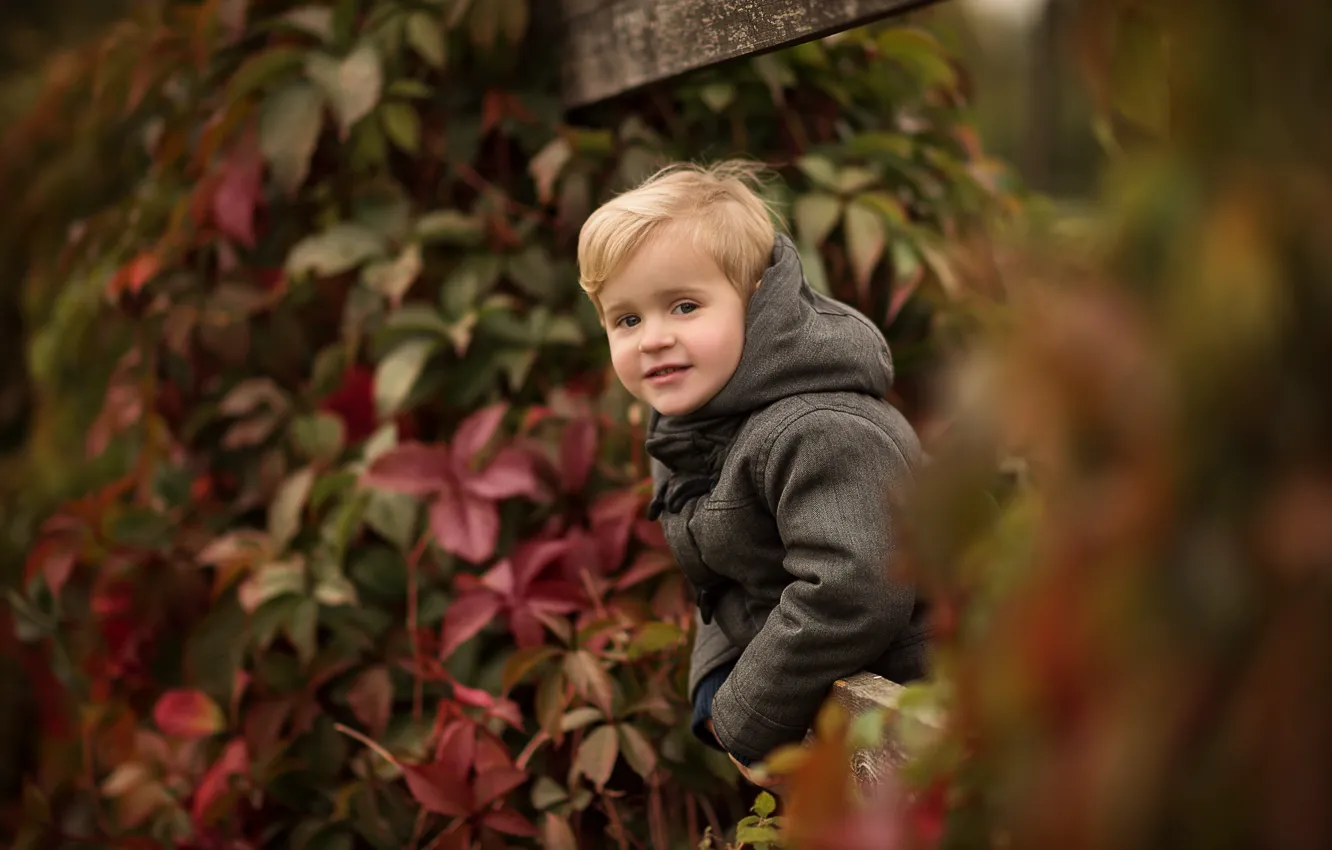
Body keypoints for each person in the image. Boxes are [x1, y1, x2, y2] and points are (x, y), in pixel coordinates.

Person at [576, 161, 930, 780]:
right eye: (626, 319)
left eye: (684, 306)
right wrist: (717, 682)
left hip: (918, 701)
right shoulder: (693, 427)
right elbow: (723, 580)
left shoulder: (820, 431)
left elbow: (852, 589)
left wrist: (745, 717)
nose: (653, 338)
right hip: (837, 710)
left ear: (757, 300)